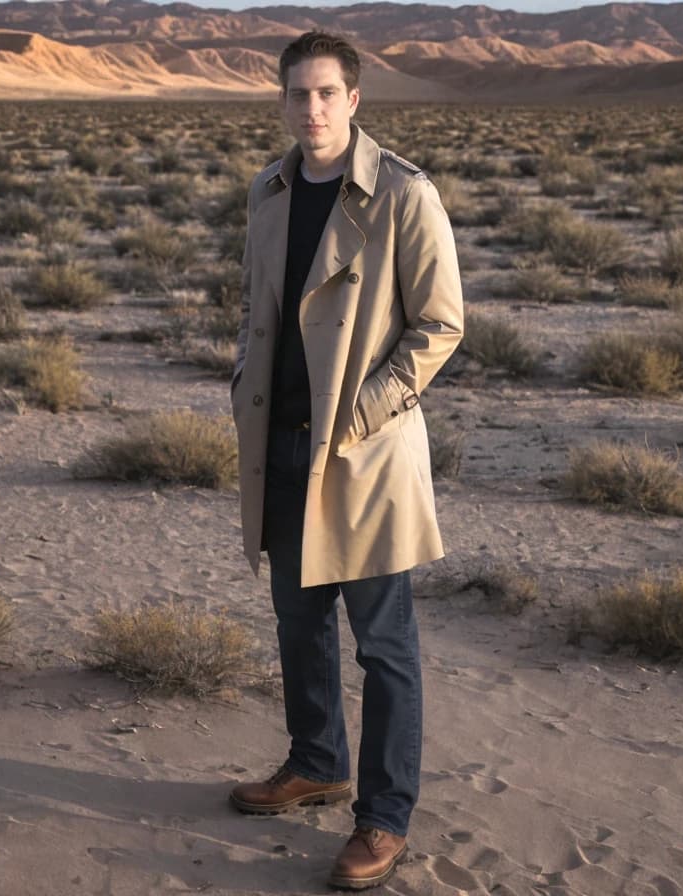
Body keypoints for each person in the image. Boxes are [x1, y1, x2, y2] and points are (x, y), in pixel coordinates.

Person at [227, 30, 464, 891]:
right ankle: (316, 760)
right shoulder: (270, 190)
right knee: (298, 624)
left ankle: (384, 816)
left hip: (361, 455)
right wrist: (243, 382)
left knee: (385, 645)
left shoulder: (401, 194)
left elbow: (439, 327)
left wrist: (364, 414)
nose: (312, 109)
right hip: (281, 447)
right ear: (282, 100)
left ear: (355, 100)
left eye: (328, 93)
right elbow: (259, 309)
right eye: (298, 94)